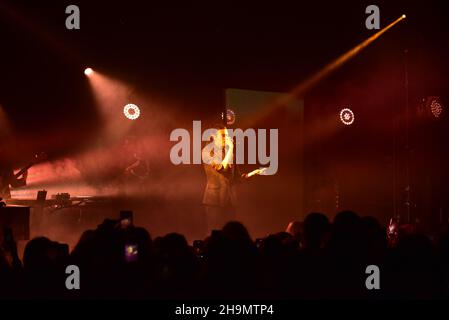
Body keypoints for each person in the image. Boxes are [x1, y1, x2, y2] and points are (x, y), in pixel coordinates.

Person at [202, 126, 265, 233]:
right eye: (223, 135)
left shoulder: (229, 154)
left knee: (231, 232)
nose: (226, 138)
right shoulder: (207, 152)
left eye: (227, 135)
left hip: (230, 199)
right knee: (215, 231)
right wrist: (230, 149)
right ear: (213, 137)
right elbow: (222, 168)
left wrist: (253, 174)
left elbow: (236, 178)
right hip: (214, 200)